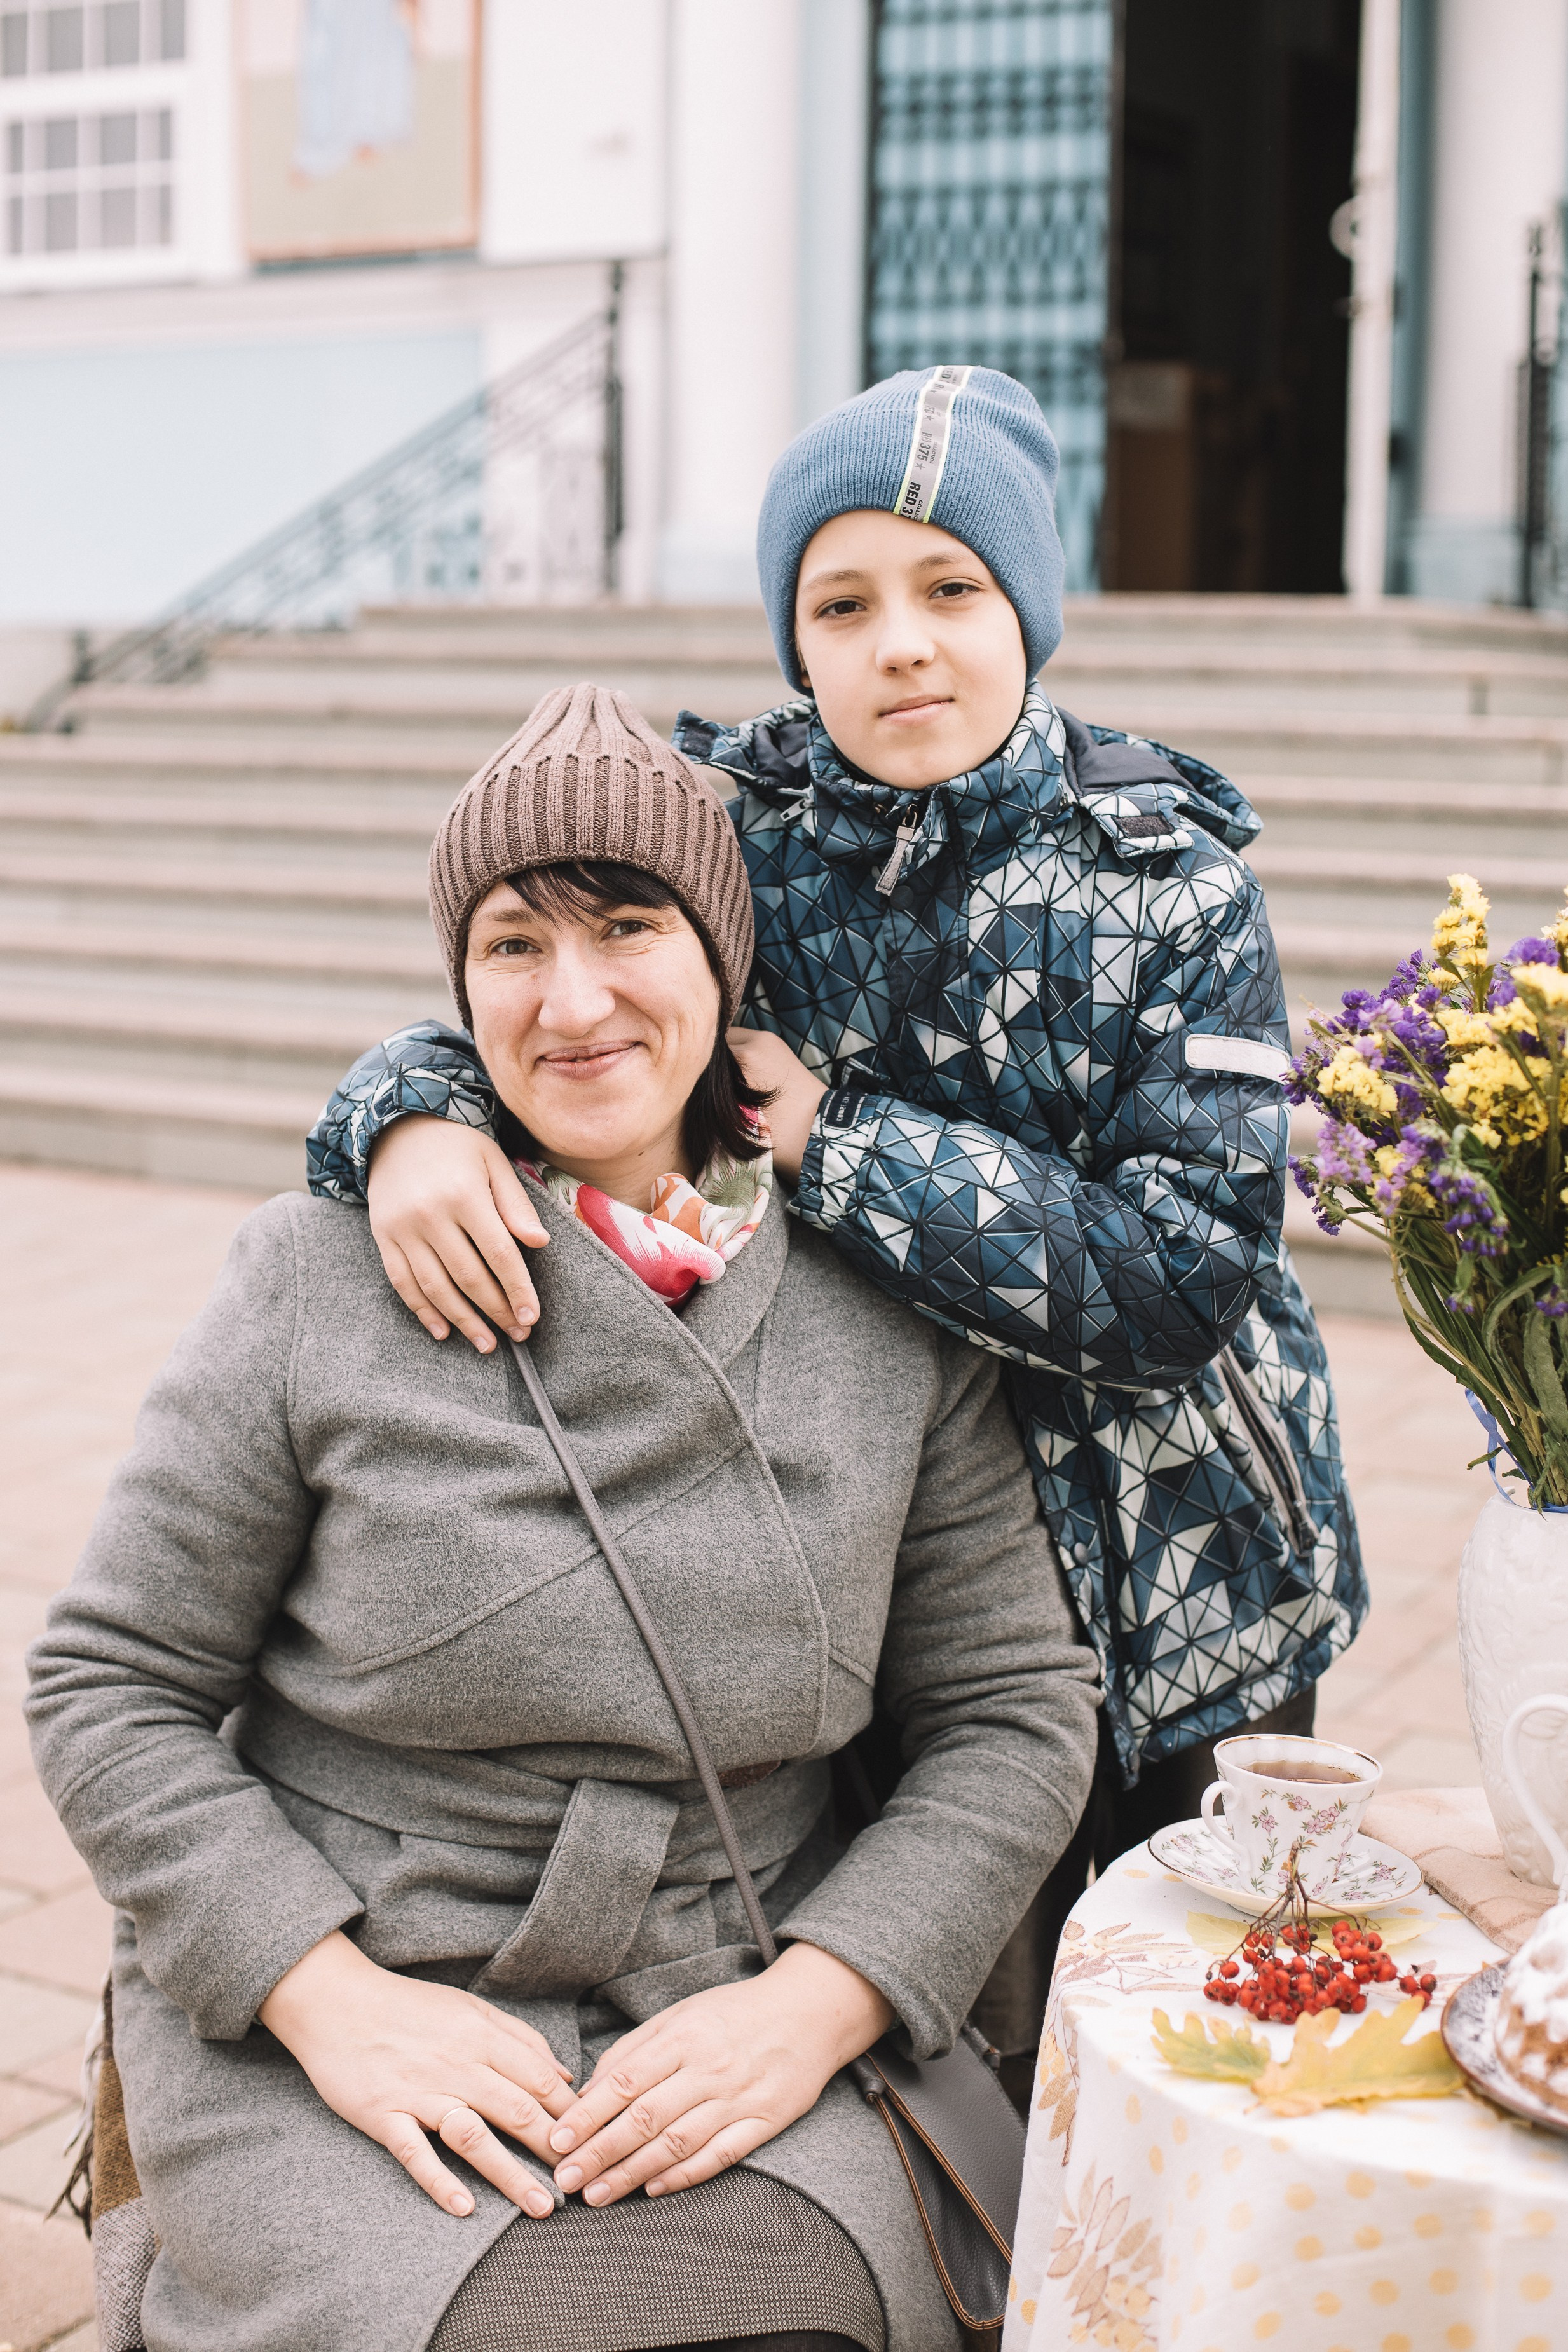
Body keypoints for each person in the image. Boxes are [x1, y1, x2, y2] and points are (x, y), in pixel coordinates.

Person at [306, 364, 1366, 2060]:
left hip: (1187, 1578)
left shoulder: (1173, 885)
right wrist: (410, 1118)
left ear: (1028, 606)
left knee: (1198, 2026)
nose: (903, 644)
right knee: (965, 1997)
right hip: (897, 1548)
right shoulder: (750, 848)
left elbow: (1183, 1271)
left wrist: (840, 1142)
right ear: (794, 638)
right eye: (843, 602)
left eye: (951, 589)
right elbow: (559, 994)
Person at [27, 683, 1098, 2352]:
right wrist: (329, 1999)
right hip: (360, 2008)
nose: (574, 996)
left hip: (731, 1999)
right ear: (457, 991)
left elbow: (1015, 1709)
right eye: (514, 944)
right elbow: (109, 1683)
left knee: (790, 2326)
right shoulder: (316, 1275)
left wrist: (822, 1999)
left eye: (627, 926)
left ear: (722, 962)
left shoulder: (880, 1309)